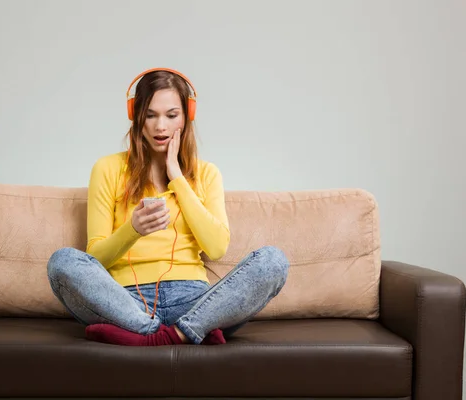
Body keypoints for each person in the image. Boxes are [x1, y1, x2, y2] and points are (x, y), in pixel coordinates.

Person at [46, 67, 289, 346]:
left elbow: (216, 247)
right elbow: (95, 258)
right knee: (62, 262)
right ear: (136, 116)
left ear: (187, 117)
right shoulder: (107, 168)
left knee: (273, 261)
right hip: (127, 301)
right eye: (150, 115)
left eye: (171, 115)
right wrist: (132, 230)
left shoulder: (207, 173)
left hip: (195, 301)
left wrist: (177, 176)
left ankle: (157, 336)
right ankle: (179, 333)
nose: (160, 126)